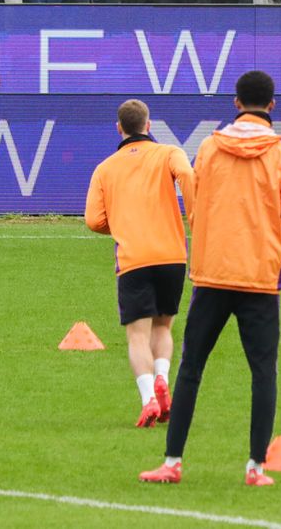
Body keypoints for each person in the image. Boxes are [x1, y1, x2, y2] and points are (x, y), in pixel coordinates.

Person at [140, 70, 281, 487]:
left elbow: (196, 206)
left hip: (213, 275)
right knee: (263, 373)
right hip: (258, 279)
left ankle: (172, 461)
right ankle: (256, 467)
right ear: (272, 105)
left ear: (236, 103)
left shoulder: (209, 147)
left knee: (190, 369)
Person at [84, 99, 195, 427]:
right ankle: (163, 377)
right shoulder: (169, 153)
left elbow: (93, 220)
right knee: (163, 327)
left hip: (134, 259)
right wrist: (195, 213)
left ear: (119, 128)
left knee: (137, 335)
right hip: (171, 255)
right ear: (149, 126)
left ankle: (148, 398)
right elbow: (187, 175)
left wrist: (118, 225)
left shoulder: (105, 168)